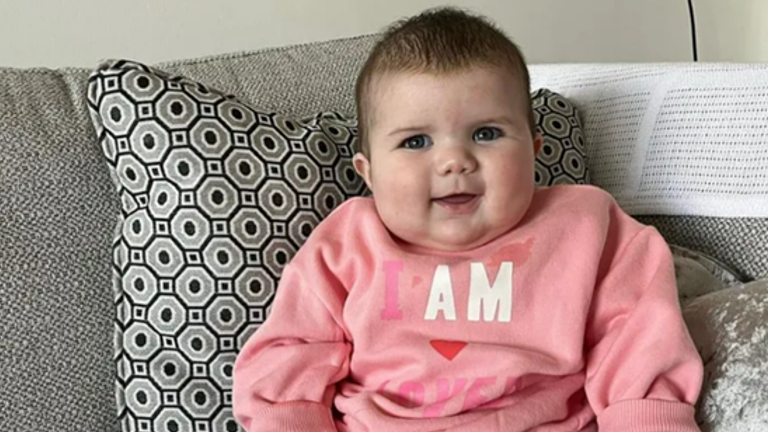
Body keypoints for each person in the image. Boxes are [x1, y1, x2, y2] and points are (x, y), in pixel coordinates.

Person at [233, 7, 703, 432]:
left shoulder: (587, 227)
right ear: (369, 173)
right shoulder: (346, 244)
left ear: (534, 152)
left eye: (486, 133)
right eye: (416, 141)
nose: (454, 161)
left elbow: (638, 339)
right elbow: (292, 353)